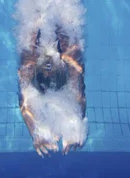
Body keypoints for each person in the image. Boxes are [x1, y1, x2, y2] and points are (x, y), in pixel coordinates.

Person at [18, 26, 86, 156]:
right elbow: (79, 97)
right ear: (61, 72)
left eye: (45, 72)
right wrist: (76, 129)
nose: (48, 68)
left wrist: (35, 132)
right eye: (51, 72)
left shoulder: (29, 60)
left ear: (36, 72)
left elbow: (23, 101)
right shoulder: (70, 58)